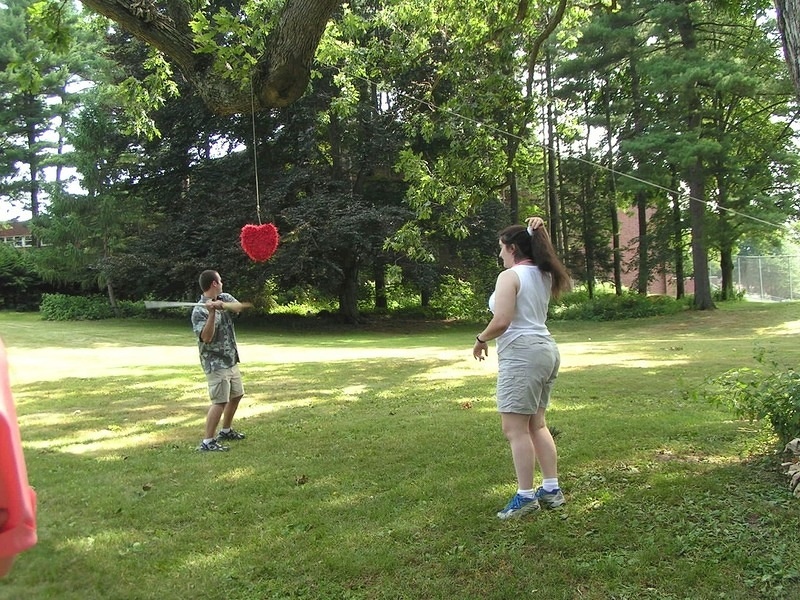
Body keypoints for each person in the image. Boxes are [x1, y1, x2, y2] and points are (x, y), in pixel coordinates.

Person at [473, 217, 571, 519]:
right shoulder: (543, 274)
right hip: (546, 350)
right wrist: (538, 230)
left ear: (512, 248)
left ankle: (525, 495)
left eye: (501, 249)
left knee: (514, 429)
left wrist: (480, 338)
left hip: (523, 354)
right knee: (536, 424)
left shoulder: (510, 276)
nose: (499, 255)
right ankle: (551, 490)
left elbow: (502, 320)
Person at [191, 270, 248, 452]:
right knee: (220, 401)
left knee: (237, 394)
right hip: (215, 362)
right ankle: (207, 442)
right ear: (214, 283)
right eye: (220, 280)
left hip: (230, 359)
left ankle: (226, 430)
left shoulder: (225, 297)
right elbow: (207, 338)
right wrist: (211, 313)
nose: (222, 283)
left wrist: (222, 305)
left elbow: (239, 307)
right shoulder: (199, 310)